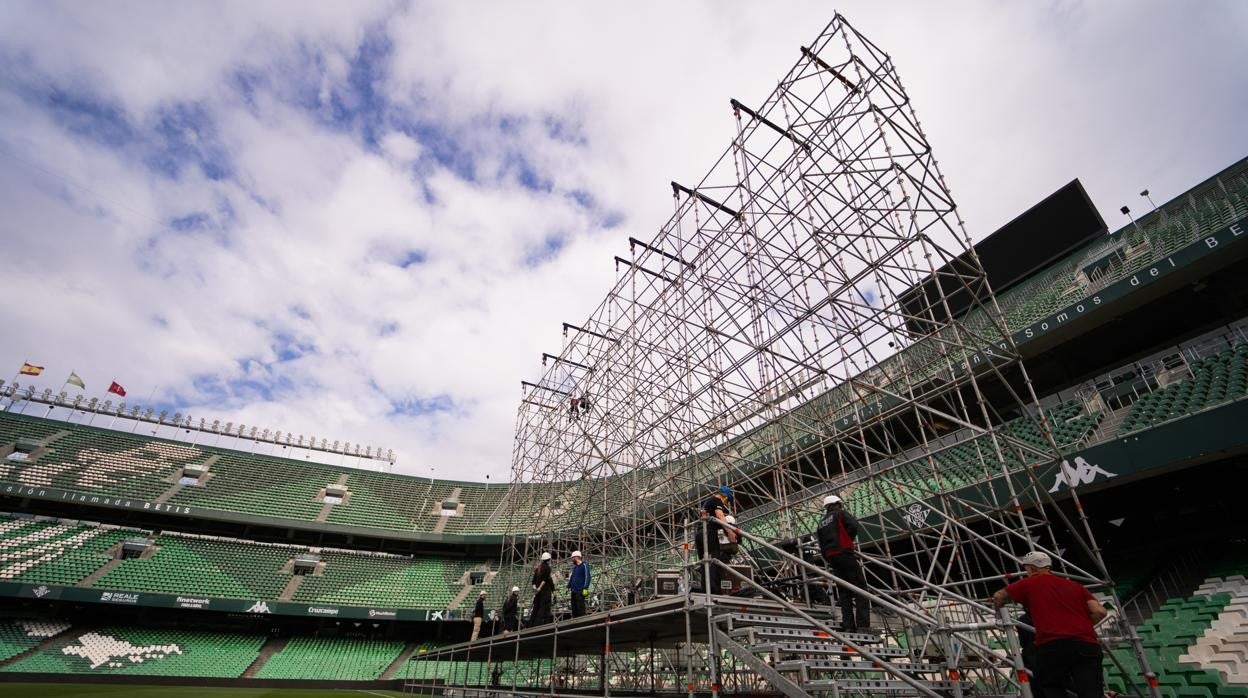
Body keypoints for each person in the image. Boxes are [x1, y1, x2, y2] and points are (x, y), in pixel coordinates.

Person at [991, 551, 1108, 698]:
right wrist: (1083, 625)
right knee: (1092, 692)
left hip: (1053, 645)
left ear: (1032, 568)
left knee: (1052, 688)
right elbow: (1100, 612)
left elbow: (999, 596)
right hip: (1086, 644)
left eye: (1026, 568)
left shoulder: (1030, 583)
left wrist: (999, 611)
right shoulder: (1076, 586)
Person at [816, 494, 871, 632]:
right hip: (844, 553)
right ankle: (863, 625)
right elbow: (853, 526)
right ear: (836, 504)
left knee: (844, 591)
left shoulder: (821, 523)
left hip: (831, 557)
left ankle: (848, 626)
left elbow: (821, 544)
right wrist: (848, 540)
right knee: (860, 589)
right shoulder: (840, 514)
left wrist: (828, 557)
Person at [696, 485, 736, 595]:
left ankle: (707, 590)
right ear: (725, 497)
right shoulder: (717, 500)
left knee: (705, 562)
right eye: (727, 501)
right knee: (713, 560)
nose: (725, 503)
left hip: (699, 533)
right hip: (708, 533)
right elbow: (720, 516)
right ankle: (714, 591)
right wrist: (730, 532)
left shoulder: (707, 502)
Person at [529, 552, 555, 626]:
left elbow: (533, 581)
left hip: (537, 592)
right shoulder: (548, 568)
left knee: (536, 608)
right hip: (544, 591)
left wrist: (535, 589)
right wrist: (539, 588)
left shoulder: (538, 568)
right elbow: (545, 580)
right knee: (543, 609)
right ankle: (540, 625)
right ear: (549, 559)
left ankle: (531, 625)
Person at [568, 550, 591, 618]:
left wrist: (585, 587)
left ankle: (581, 622)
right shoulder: (575, 568)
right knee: (574, 608)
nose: (572, 560)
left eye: (572, 558)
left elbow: (588, 577)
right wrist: (569, 585)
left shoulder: (584, 565)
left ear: (576, 557)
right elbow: (572, 577)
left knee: (580, 607)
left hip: (580, 590)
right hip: (573, 591)